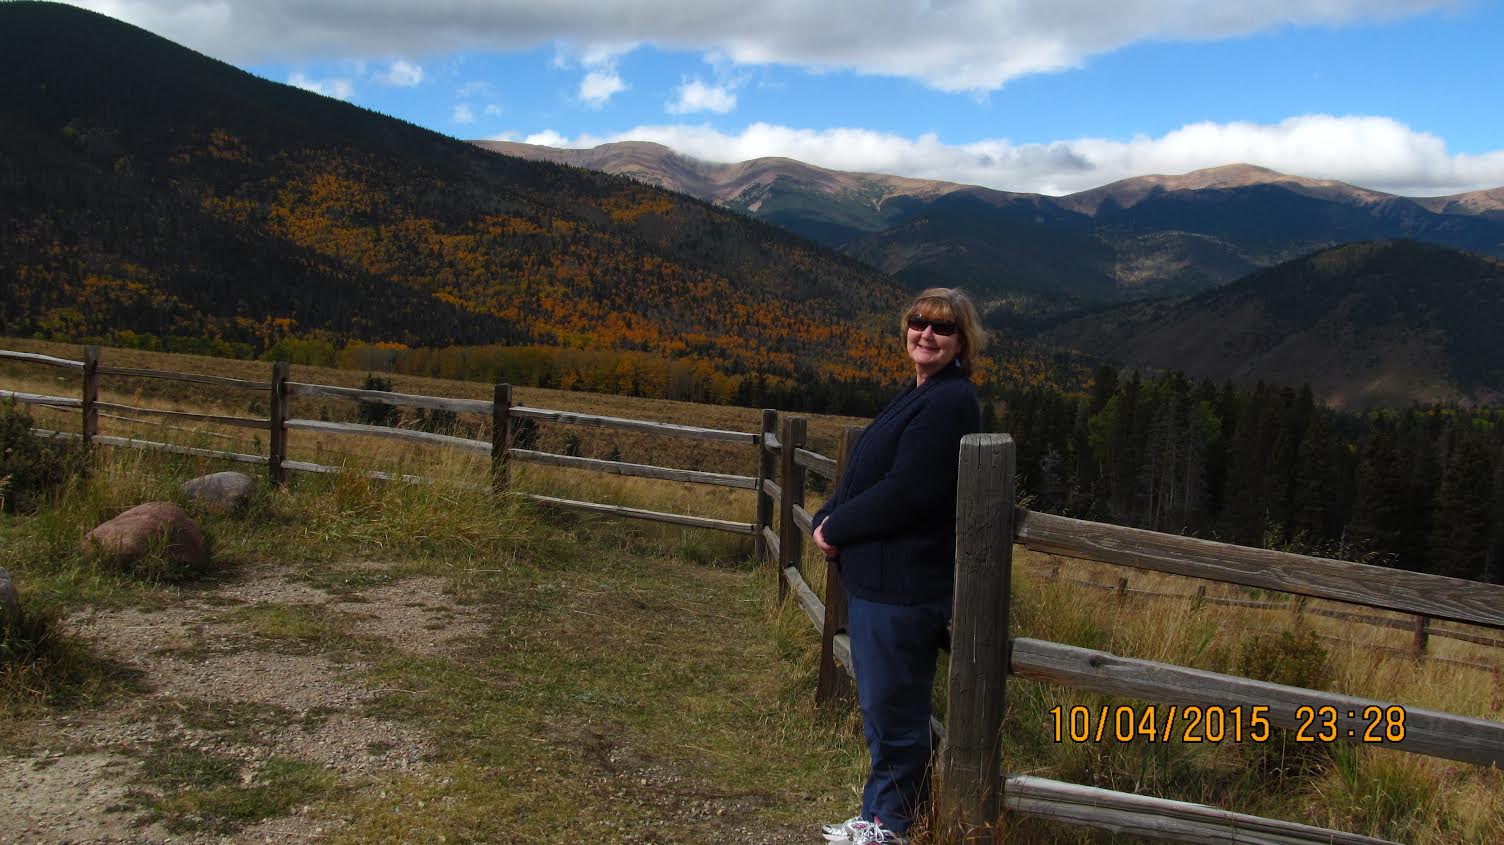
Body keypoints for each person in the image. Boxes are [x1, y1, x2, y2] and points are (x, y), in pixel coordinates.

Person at [812, 288, 985, 844]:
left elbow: (908, 492)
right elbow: (868, 468)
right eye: (918, 322)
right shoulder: (920, 393)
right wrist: (829, 510)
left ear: (962, 342)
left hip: (904, 587)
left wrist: (835, 528)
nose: (926, 334)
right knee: (884, 708)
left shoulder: (951, 401)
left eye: (942, 328)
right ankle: (879, 814)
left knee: (896, 712)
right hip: (881, 584)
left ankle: (891, 826)